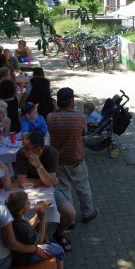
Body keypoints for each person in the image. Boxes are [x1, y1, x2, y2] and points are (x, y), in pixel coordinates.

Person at [16, 131, 76, 252]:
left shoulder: (52, 153)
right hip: (29, 191)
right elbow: (22, 182)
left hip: (50, 190)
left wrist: (38, 166)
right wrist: (46, 180)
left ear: (39, 149)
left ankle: (59, 233)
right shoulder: (21, 154)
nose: (24, 150)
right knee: (29, 213)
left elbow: (50, 183)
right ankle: (43, 239)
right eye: (24, 146)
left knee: (70, 213)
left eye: (27, 149)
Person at [48, 87, 97, 224]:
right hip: (76, 159)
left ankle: (69, 218)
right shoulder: (79, 117)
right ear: (71, 101)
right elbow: (84, 133)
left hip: (58, 160)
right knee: (83, 187)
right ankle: (88, 213)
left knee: (64, 190)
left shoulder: (51, 117)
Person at [6, 191, 66, 269]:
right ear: (21, 210)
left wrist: (38, 214)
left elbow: (29, 225)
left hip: (21, 253)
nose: (30, 203)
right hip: (26, 257)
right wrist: (42, 218)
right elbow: (39, 241)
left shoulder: (15, 217)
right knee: (59, 249)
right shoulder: (21, 226)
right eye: (27, 203)